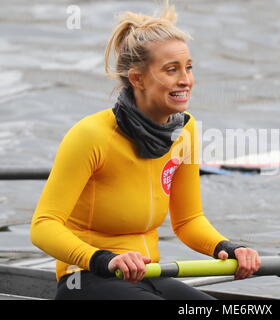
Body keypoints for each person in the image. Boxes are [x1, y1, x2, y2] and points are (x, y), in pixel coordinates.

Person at [30, 1, 260, 300]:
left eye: (188, 68)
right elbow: (43, 226)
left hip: (150, 275)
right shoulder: (90, 136)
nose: (185, 80)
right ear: (137, 78)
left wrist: (228, 248)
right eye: (171, 70)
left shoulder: (184, 132)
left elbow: (188, 221)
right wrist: (104, 258)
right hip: (87, 278)